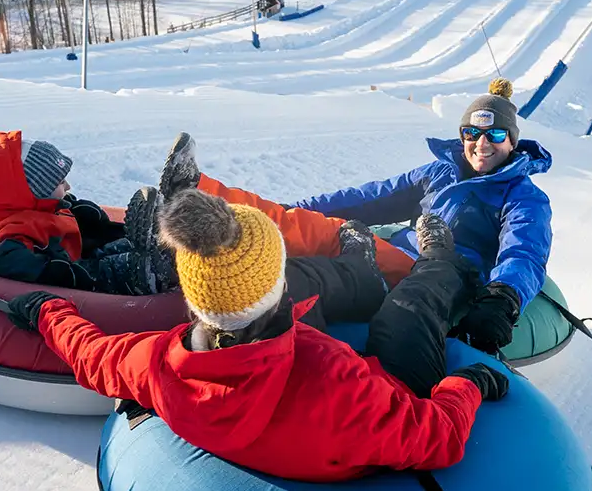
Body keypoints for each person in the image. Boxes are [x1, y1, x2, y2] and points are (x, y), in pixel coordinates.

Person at [2, 192, 509, 482]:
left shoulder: (158, 362)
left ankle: (360, 267)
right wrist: (468, 386)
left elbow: (92, 356)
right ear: (277, 284)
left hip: (263, 362)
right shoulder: (333, 379)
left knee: (320, 287)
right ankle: (439, 261)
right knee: (409, 308)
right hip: (374, 392)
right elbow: (437, 437)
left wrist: (48, 311)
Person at [158, 78, 552, 394]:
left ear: (512, 141)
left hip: (436, 274)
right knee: (308, 235)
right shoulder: (440, 173)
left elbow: (524, 252)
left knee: (313, 243)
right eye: (471, 132)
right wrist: (299, 206)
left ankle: (202, 198)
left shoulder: (523, 197)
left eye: (495, 135)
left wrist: (503, 298)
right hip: (393, 256)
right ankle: (194, 218)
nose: (480, 144)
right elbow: (370, 199)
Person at [0, 130, 170, 295]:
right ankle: (153, 272)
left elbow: (67, 220)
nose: (68, 187)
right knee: (119, 268)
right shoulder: (3, 237)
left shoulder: (37, 204)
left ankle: (156, 236)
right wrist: (63, 269)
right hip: (81, 275)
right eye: (59, 182)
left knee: (122, 243)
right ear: (32, 190)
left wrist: (93, 220)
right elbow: (17, 265)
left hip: (82, 255)